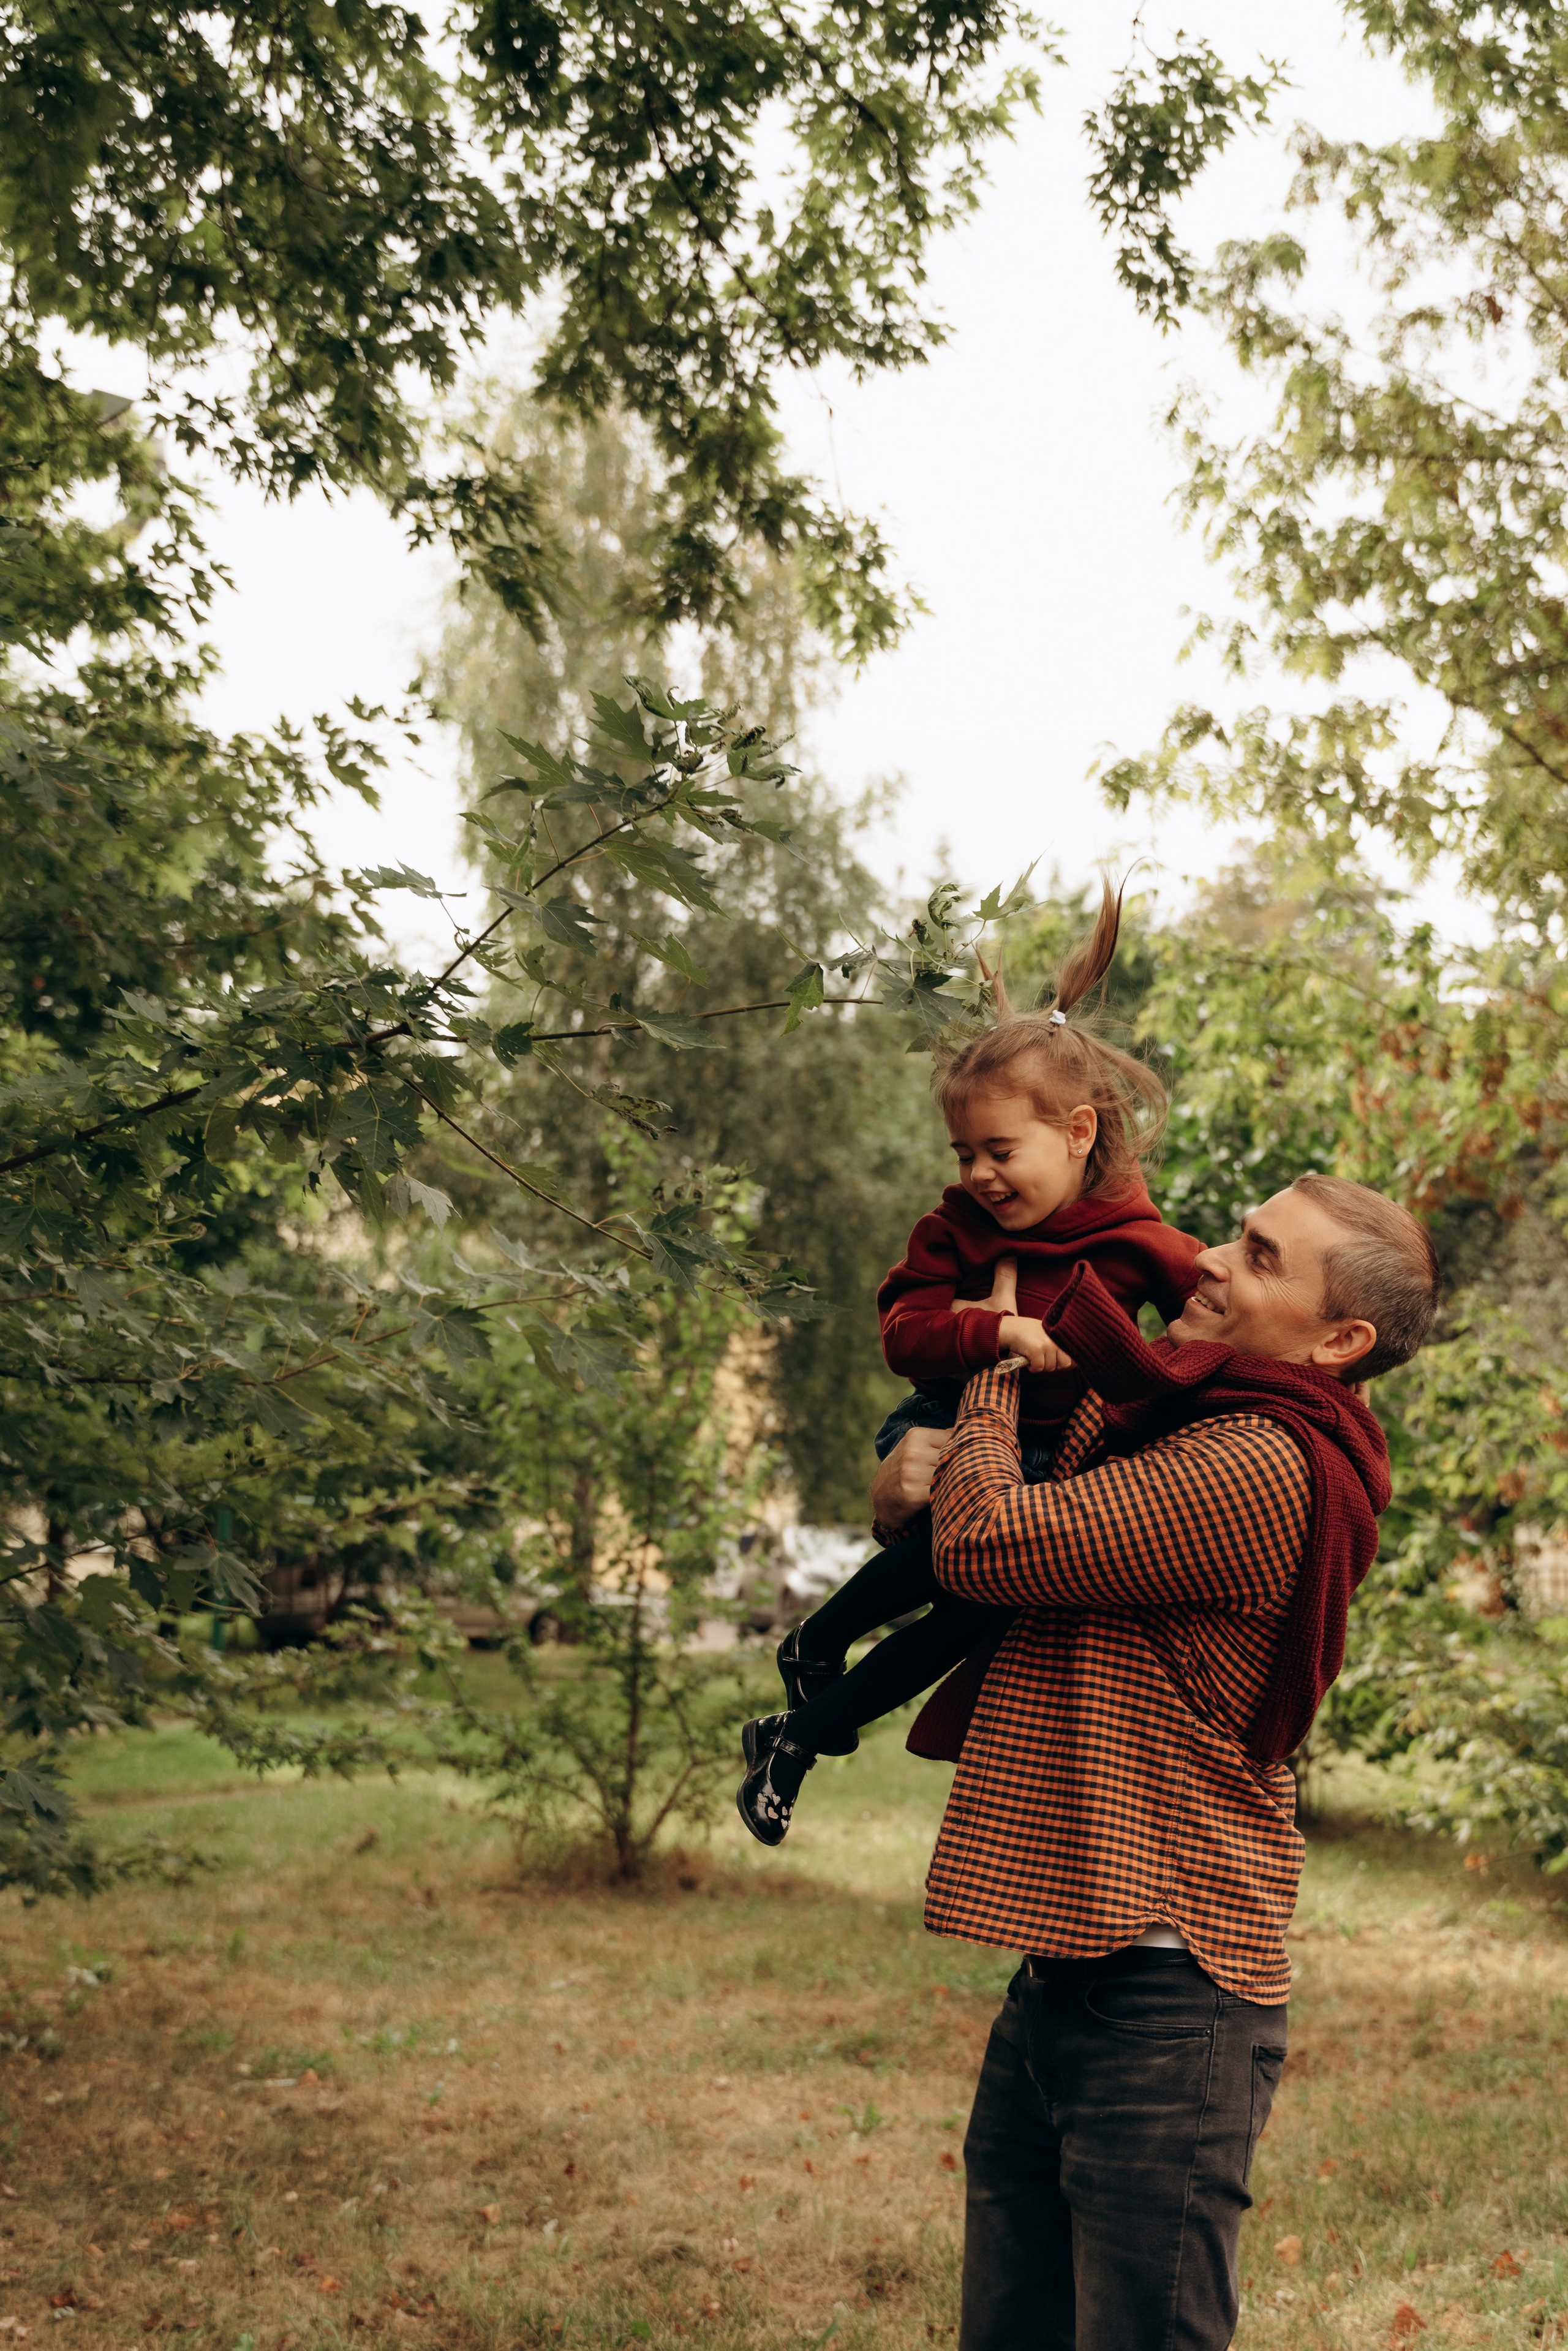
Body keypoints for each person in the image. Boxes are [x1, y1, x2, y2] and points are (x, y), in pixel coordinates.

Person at [870, 1173, 1439, 2351]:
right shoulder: (1176, 1412)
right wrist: (904, 1484)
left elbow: (987, 1538)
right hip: (1072, 1972)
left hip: (1168, 2002)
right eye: (1235, 1234)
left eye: (1263, 1257)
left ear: (1341, 1340)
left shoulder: (1262, 1463)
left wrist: (994, 1345)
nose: (1213, 1261)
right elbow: (978, 1515)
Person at [735, 881, 1202, 1846]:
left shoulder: (1142, 1239)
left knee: (970, 1611)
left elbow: (1209, 1322)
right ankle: (813, 1662)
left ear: (1077, 1134)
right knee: (952, 1575)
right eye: (963, 1152)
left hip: (1043, 1470)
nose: (980, 1174)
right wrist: (994, 1333)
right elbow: (902, 1328)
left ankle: (801, 1723)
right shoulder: (955, 1227)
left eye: (1001, 1149)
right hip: (944, 1421)